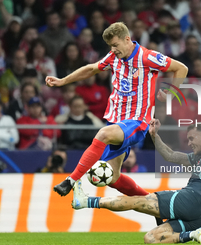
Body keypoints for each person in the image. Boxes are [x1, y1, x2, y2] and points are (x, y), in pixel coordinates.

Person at [45, 22, 188, 202]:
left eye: (115, 45)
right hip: (115, 121)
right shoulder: (113, 56)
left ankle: (70, 180)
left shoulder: (147, 57)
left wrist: (171, 94)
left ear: (127, 39)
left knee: (103, 134)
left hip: (137, 122)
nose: (113, 49)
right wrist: (62, 81)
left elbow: (181, 68)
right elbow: (91, 69)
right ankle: (154, 203)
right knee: (112, 178)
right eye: (110, 46)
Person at [71, 122, 201, 244]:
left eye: (192, 138)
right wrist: (155, 136)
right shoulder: (197, 157)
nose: (190, 143)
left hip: (193, 198)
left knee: (138, 201)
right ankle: (192, 235)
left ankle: (85, 201)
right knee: (151, 239)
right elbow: (170, 155)